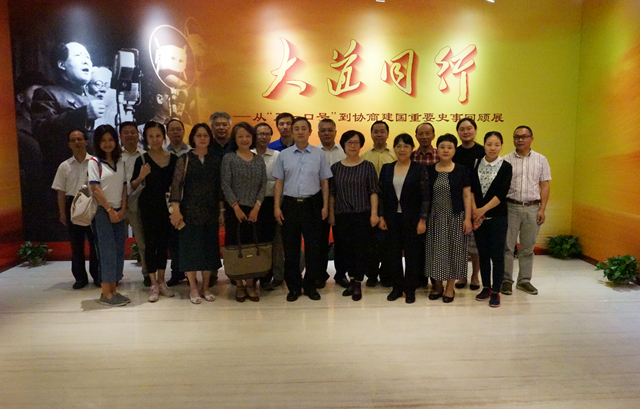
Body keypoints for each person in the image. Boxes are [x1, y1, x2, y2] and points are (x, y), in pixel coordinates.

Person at [31, 42, 105, 241]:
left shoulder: (93, 99)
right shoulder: (48, 93)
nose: (86, 60)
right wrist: (82, 114)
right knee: (72, 244)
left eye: (88, 57)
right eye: (79, 55)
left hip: (95, 185)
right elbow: (41, 129)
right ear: (62, 64)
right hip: (67, 188)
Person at [273, 117, 332, 302]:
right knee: (291, 250)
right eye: (296, 128)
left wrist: (325, 206)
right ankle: (294, 287)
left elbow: (324, 182)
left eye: (303, 128)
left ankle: (310, 286)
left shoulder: (319, 154)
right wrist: (276, 207)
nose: (300, 132)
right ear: (292, 131)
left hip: (312, 205)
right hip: (289, 205)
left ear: (310, 131)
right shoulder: (284, 155)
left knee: (314, 249)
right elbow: (279, 182)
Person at [169, 123, 223, 304]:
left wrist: (221, 211)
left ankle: (206, 287)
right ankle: (193, 287)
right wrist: (176, 210)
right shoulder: (184, 159)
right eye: (199, 135)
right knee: (190, 252)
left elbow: (219, 189)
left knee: (208, 252)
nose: (202, 138)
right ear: (192, 138)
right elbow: (176, 187)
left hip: (210, 212)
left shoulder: (216, 160)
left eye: (205, 135)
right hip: (188, 212)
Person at [329, 130, 380, 301]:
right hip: (342, 215)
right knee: (346, 249)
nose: (352, 146)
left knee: (361, 249)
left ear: (361, 145)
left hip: (363, 214)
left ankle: (358, 282)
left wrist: (374, 213)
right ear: (343, 145)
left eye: (356, 142)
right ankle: (351, 280)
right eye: (349, 142)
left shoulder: (367, 166)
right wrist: (332, 215)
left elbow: (373, 191)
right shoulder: (336, 168)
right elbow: (332, 194)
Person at [378, 134, 429, 304]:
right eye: (398, 146)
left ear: (412, 149)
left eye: (406, 146)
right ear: (394, 148)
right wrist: (381, 216)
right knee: (393, 254)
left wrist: (423, 220)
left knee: (412, 255)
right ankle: (397, 287)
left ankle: (410, 288)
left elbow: (425, 197)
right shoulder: (387, 168)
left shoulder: (419, 169)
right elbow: (381, 195)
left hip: (413, 219)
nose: (402, 150)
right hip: (391, 218)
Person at [131, 122, 178, 303]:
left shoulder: (173, 159)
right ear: (146, 138)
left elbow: (177, 185)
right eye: (151, 136)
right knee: (150, 245)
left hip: (167, 208)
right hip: (148, 207)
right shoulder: (141, 160)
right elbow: (133, 185)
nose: (155, 139)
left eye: (158, 136)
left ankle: (162, 280)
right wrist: (141, 176)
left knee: (163, 244)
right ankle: (153, 284)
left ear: (163, 136)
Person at [501, 126, 551, 296]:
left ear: (531, 138)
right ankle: (506, 280)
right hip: (510, 207)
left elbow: (545, 185)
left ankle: (524, 281)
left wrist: (542, 209)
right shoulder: (505, 160)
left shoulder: (541, 160)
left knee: (527, 248)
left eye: (524, 136)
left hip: (532, 208)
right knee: (507, 247)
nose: (520, 139)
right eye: (517, 137)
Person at [221, 122, 267, 302]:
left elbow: (263, 184)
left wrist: (257, 207)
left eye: (248, 136)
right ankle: (239, 284)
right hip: (235, 211)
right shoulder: (229, 158)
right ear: (235, 138)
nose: (244, 139)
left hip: (255, 211)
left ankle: (251, 283)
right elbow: (226, 184)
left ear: (252, 138)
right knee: (236, 246)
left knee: (253, 246)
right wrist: (236, 207)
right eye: (240, 136)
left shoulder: (259, 160)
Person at [425, 134, 473, 303]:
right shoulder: (430, 170)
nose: (446, 150)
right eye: (442, 147)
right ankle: (437, 285)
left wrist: (468, 218)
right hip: (434, 218)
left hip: (455, 217)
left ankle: (450, 287)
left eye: (450, 147)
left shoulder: (462, 170)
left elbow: (467, 195)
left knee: (454, 251)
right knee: (435, 251)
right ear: (437, 150)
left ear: (454, 150)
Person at [51, 129, 100, 289]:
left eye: (80, 139)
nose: (77, 142)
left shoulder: (95, 162)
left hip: (92, 203)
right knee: (76, 244)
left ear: (86, 141)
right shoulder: (64, 166)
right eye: (73, 140)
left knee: (95, 244)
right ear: (69, 144)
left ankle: (97, 276)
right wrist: (62, 213)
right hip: (72, 204)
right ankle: (80, 278)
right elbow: (60, 191)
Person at [470, 131, 513, 308]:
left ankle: (496, 290)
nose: (492, 148)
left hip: (497, 217)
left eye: (496, 144)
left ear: (501, 146)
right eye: (489, 144)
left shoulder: (506, 166)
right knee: (483, 254)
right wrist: (475, 211)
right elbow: (471, 190)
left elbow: (501, 194)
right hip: (478, 219)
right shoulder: (476, 163)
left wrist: (482, 210)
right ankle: (486, 287)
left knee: (497, 255)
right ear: (484, 145)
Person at [89, 125, 129, 307]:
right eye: (103, 140)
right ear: (97, 143)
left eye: (110, 139)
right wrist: (110, 210)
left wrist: (122, 209)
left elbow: (124, 187)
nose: (107, 143)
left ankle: (114, 290)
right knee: (107, 251)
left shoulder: (120, 162)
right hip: (103, 212)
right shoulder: (94, 162)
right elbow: (95, 189)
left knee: (119, 250)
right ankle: (106, 293)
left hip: (119, 212)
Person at [360, 120, 397, 288]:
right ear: (371, 134)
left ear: (387, 134)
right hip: (368, 204)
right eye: (376, 131)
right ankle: (372, 275)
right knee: (370, 244)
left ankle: (387, 274)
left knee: (389, 242)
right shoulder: (364, 156)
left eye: (382, 131)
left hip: (391, 205)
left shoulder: (395, 154)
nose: (379, 134)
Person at [452, 117, 484, 290]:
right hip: (458, 202)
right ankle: (462, 275)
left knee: (476, 245)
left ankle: (475, 276)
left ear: (475, 130)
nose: (466, 132)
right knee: (460, 244)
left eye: (469, 128)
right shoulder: (455, 152)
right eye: (462, 129)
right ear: (458, 132)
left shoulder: (482, 151)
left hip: (478, 202)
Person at [316, 118, 348, 289]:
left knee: (341, 241)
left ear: (335, 132)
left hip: (341, 202)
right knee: (319, 241)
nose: (327, 133)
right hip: (318, 202)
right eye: (323, 130)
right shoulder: (313, 152)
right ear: (318, 133)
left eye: (330, 130)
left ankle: (341, 274)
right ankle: (320, 274)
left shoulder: (344, 152)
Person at [253, 123, 284, 290]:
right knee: (255, 240)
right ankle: (253, 275)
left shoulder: (277, 155)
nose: (263, 137)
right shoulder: (248, 154)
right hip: (251, 204)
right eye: (260, 133)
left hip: (272, 202)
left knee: (272, 242)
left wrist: (277, 205)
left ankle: (270, 276)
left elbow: (280, 180)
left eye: (267, 134)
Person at [120, 121, 149, 286]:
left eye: (133, 132)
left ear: (138, 135)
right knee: (116, 242)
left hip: (138, 202)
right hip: (117, 203)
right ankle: (114, 275)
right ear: (120, 136)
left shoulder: (145, 156)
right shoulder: (115, 156)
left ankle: (147, 274)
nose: (130, 135)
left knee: (142, 242)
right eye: (126, 132)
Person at [165, 119, 191, 287]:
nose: (175, 132)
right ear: (167, 133)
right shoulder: (162, 152)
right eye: (172, 129)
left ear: (183, 131)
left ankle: (189, 273)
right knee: (173, 240)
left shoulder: (191, 152)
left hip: (188, 202)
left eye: (178, 129)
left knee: (187, 240)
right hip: (168, 202)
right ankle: (176, 272)